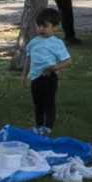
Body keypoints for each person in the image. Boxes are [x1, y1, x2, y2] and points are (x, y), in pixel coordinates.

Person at [23, 8, 72, 137]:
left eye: (45, 26)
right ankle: (39, 126)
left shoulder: (57, 43)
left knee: (49, 103)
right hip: (35, 78)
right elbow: (28, 59)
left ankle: (48, 127)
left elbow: (68, 61)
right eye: (39, 25)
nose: (41, 29)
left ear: (55, 27)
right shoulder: (33, 42)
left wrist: (55, 68)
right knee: (37, 103)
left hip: (49, 78)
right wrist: (24, 76)